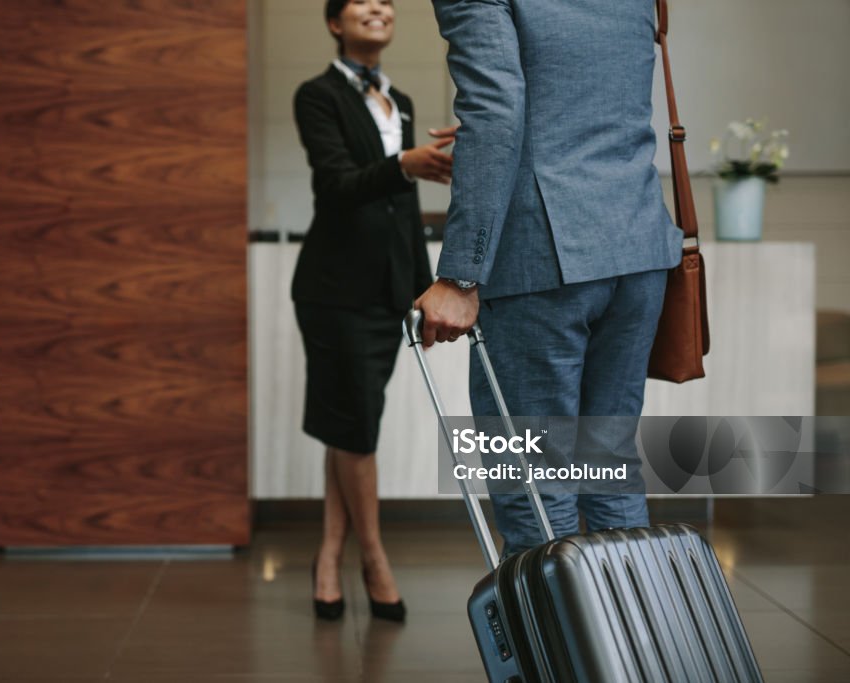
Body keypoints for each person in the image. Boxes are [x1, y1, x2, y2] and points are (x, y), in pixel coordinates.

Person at [415, 0, 684, 555]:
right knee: (610, 466)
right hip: (636, 244)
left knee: (535, 484)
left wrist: (461, 274)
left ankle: (557, 644)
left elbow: (494, 108)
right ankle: (630, 640)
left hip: (544, 256)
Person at [292, 0, 457, 621]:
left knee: (350, 425)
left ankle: (329, 552)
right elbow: (335, 186)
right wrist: (403, 164)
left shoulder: (402, 100)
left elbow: (400, 211)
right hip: (334, 289)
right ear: (335, 21)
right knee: (357, 426)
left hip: (389, 288)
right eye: (362, 1)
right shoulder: (317, 95)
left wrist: (424, 287)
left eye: (386, 1)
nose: (379, 8)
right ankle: (373, 557)